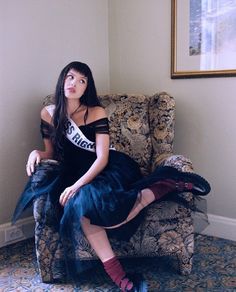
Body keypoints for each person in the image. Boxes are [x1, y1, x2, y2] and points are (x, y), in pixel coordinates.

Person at [12, 61, 210, 292]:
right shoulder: (49, 113)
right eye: (70, 77)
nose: (74, 83)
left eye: (82, 80)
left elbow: (102, 159)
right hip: (74, 172)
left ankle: (162, 186)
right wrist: (36, 153)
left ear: (87, 88)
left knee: (106, 213)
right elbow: (52, 152)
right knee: (81, 210)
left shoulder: (95, 111)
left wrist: (77, 186)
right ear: (62, 79)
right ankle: (119, 276)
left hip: (109, 168)